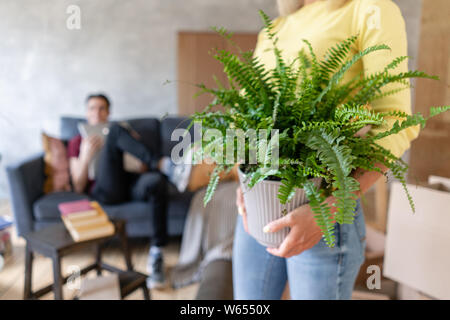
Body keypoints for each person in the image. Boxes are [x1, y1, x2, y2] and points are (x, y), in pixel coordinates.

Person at [233, 0, 420, 299]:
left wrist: (328, 210)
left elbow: (395, 121)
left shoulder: (370, 9)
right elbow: (244, 117)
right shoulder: (276, 28)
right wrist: (243, 180)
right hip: (257, 210)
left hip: (323, 206)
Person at [67, 93, 191, 289]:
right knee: (116, 130)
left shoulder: (123, 133)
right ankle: (166, 165)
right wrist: (85, 155)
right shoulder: (76, 142)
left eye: (102, 108)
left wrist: (132, 150)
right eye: (92, 108)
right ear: (86, 112)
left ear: (108, 112)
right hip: (106, 189)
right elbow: (78, 185)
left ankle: (157, 252)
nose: (97, 113)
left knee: (155, 181)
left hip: (131, 182)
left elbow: (141, 169)